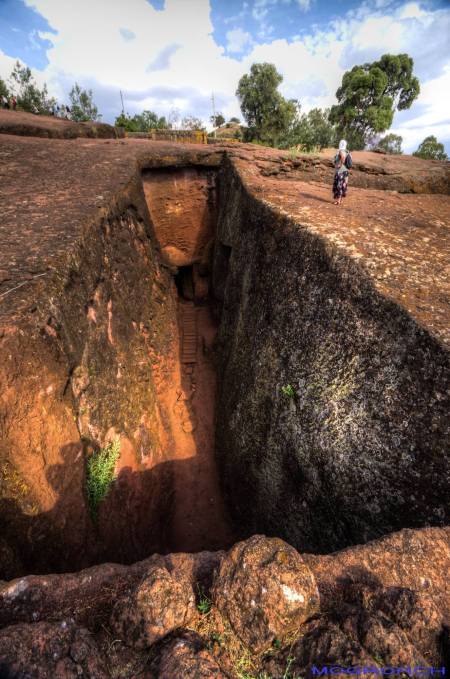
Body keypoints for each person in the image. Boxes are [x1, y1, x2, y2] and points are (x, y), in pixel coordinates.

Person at [332, 139, 352, 206]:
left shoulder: (341, 151)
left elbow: (343, 157)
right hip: (345, 170)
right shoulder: (347, 151)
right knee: (342, 185)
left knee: (339, 185)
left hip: (340, 171)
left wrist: (340, 164)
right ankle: (339, 200)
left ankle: (337, 201)